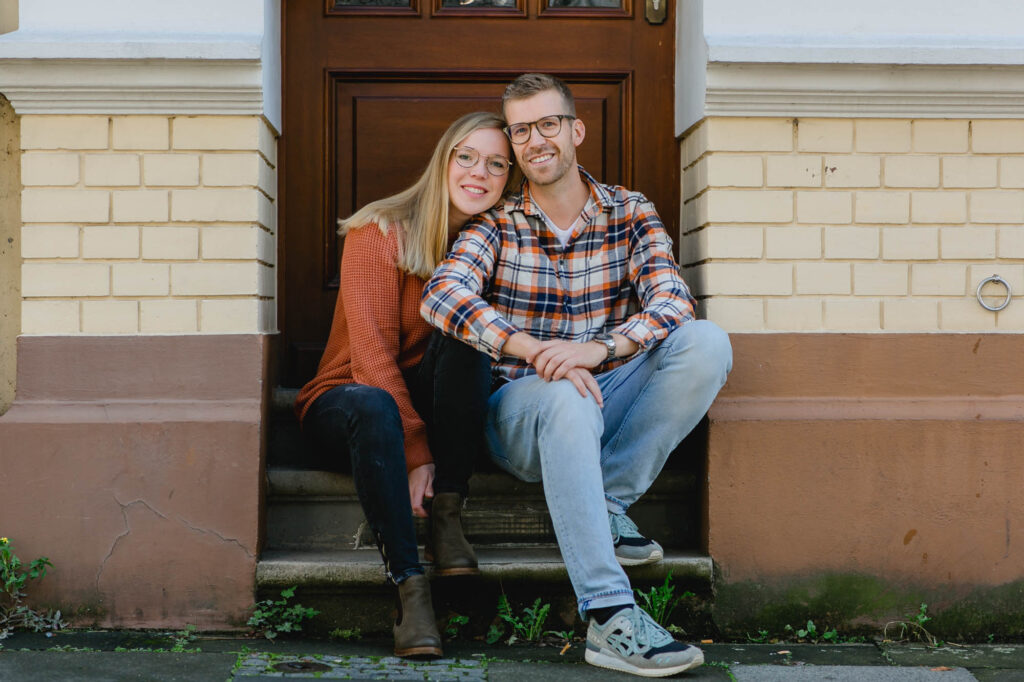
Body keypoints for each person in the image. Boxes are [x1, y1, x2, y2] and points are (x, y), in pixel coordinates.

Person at [421, 74, 732, 677]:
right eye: (521, 130)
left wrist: (601, 347)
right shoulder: (497, 223)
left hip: (603, 390)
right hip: (522, 415)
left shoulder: (630, 211)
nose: (535, 139)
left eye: (547, 124)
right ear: (513, 144)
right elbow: (441, 293)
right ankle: (610, 613)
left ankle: (609, 498)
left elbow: (672, 300)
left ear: (575, 130)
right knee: (563, 393)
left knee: (705, 342)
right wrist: (531, 348)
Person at [294, 112, 513, 658]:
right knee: (371, 405)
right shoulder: (380, 230)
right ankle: (410, 589)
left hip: (430, 405)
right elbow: (370, 356)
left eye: (496, 164)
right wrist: (417, 452)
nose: (478, 173)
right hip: (347, 400)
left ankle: (447, 513)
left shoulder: (497, 241)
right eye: (466, 157)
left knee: (468, 335)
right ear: (443, 161)